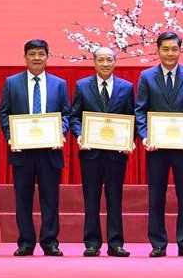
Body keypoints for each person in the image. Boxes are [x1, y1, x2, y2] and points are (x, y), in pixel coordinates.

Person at [135, 32, 183, 257]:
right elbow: (140, 110)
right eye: (165, 49)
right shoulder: (146, 76)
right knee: (156, 195)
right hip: (156, 148)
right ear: (158, 51)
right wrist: (145, 136)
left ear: (180, 50)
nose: (170, 53)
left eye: (174, 49)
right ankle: (158, 243)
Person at [0, 38, 70, 256]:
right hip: (22, 152)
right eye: (32, 54)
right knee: (23, 198)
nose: (37, 58)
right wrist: (10, 137)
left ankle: (50, 242)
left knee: (50, 199)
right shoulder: (12, 83)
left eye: (41, 54)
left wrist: (61, 132)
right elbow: (4, 114)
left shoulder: (59, 84)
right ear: (25, 57)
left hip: (50, 152)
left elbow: (66, 114)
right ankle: (26, 242)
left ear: (47, 57)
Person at [68, 46, 134, 257]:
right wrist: (80, 135)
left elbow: (131, 117)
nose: (105, 64)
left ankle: (116, 244)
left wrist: (129, 140)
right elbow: (74, 116)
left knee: (115, 199)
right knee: (91, 198)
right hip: (91, 153)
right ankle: (92, 243)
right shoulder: (82, 86)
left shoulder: (127, 87)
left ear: (115, 62)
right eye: (101, 60)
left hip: (116, 154)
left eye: (109, 60)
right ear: (94, 62)